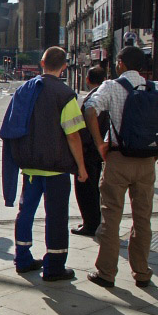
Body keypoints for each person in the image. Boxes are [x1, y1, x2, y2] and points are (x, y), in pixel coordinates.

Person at [84, 45, 158, 288]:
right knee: (143, 219)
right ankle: (142, 273)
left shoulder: (111, 86)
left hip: (118, 159)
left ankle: (106, 272)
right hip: (147, 162)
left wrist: (100, 144)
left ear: (120, 63)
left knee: (111, 216)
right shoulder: (157, 88)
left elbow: (90, 108)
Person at [0, 46, 87, 282]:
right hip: (56, 167)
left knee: (25, 211)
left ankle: (23, 258)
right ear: (65, 67)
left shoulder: (25, 90)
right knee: (56, 215)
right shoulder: (65, 94)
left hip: (29, 166)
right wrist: (81, 166)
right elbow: (73, 135)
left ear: (41, 63)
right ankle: (54, 266)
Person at [71, 65, 108, 236]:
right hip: (99, 149)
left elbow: (83, 128)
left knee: (85, 188)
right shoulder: (106, 97)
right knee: (94, 187)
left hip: (89, 149)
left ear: (87, 80)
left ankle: (90, 223)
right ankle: (95, 220)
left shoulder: (91, 100)